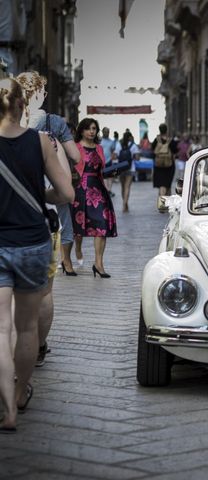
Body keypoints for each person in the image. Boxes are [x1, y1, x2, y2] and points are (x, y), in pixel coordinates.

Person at [0, 78, 74, 432]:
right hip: (32, 242)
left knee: (1, 328)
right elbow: (67, 194)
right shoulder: (42, 141)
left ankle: (6, 409)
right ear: (21, 105)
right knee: (26, 326)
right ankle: (18, 396)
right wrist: (41, 196)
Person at [15, 70, 81, 368]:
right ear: (40, 95)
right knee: (42, 293)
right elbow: (66, 190)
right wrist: (42, 196)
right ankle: (37, 347)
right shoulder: (48, 137)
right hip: (40, 224)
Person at [70, 118, 117, 278]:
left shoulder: (99, 148)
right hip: (80, 189)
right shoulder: (75, 147)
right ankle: (74, 253)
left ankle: (98, 264)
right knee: (76, 229)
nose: (92, 131)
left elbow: (101, 170)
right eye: (89, 128)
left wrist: (112, 172)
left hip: (98, 190)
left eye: (94, 129)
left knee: (102, 225)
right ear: (82, 130)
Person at [152, 123, 178, 203]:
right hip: (169, 166)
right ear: (166, 130)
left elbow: (152, 151)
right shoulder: (170, 140)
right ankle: (166, 204)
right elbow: (175, 150)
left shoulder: (156, 140)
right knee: (168, 185)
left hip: (158, 165)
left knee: (161, 185)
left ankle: (162, 203)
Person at [118, 131, 139, 213]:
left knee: (122, 187)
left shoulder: (119, 145)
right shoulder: (133, 146)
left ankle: (125, 204)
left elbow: (115, 156)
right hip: (130, 168)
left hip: (120, 168)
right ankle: (125, 204)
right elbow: (137, 158)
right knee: (127, 187)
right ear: (130, 137)